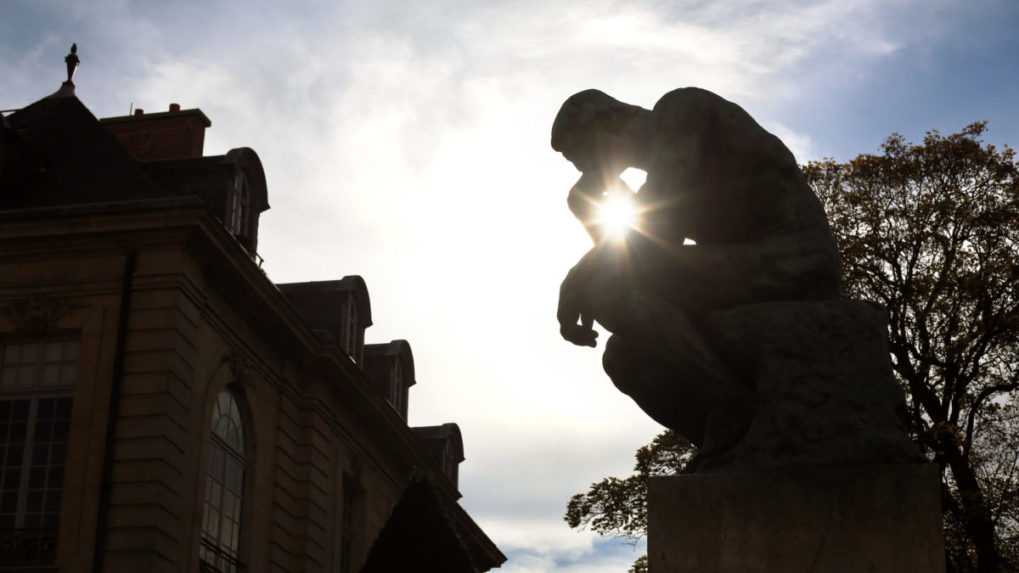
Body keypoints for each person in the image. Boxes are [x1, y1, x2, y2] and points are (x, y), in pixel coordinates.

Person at [551, 87, 841, 454]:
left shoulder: (682, 111)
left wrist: (576, 279)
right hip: (745, 263)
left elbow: (653, 233)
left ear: (607, 122)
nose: (584, 170)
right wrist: (588, 209)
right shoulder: (661, 166)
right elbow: (636, 253)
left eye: (582, 155)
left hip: (795, 257)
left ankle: (734, 407)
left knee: (604, 290)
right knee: (624, 358)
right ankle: (723, 445)